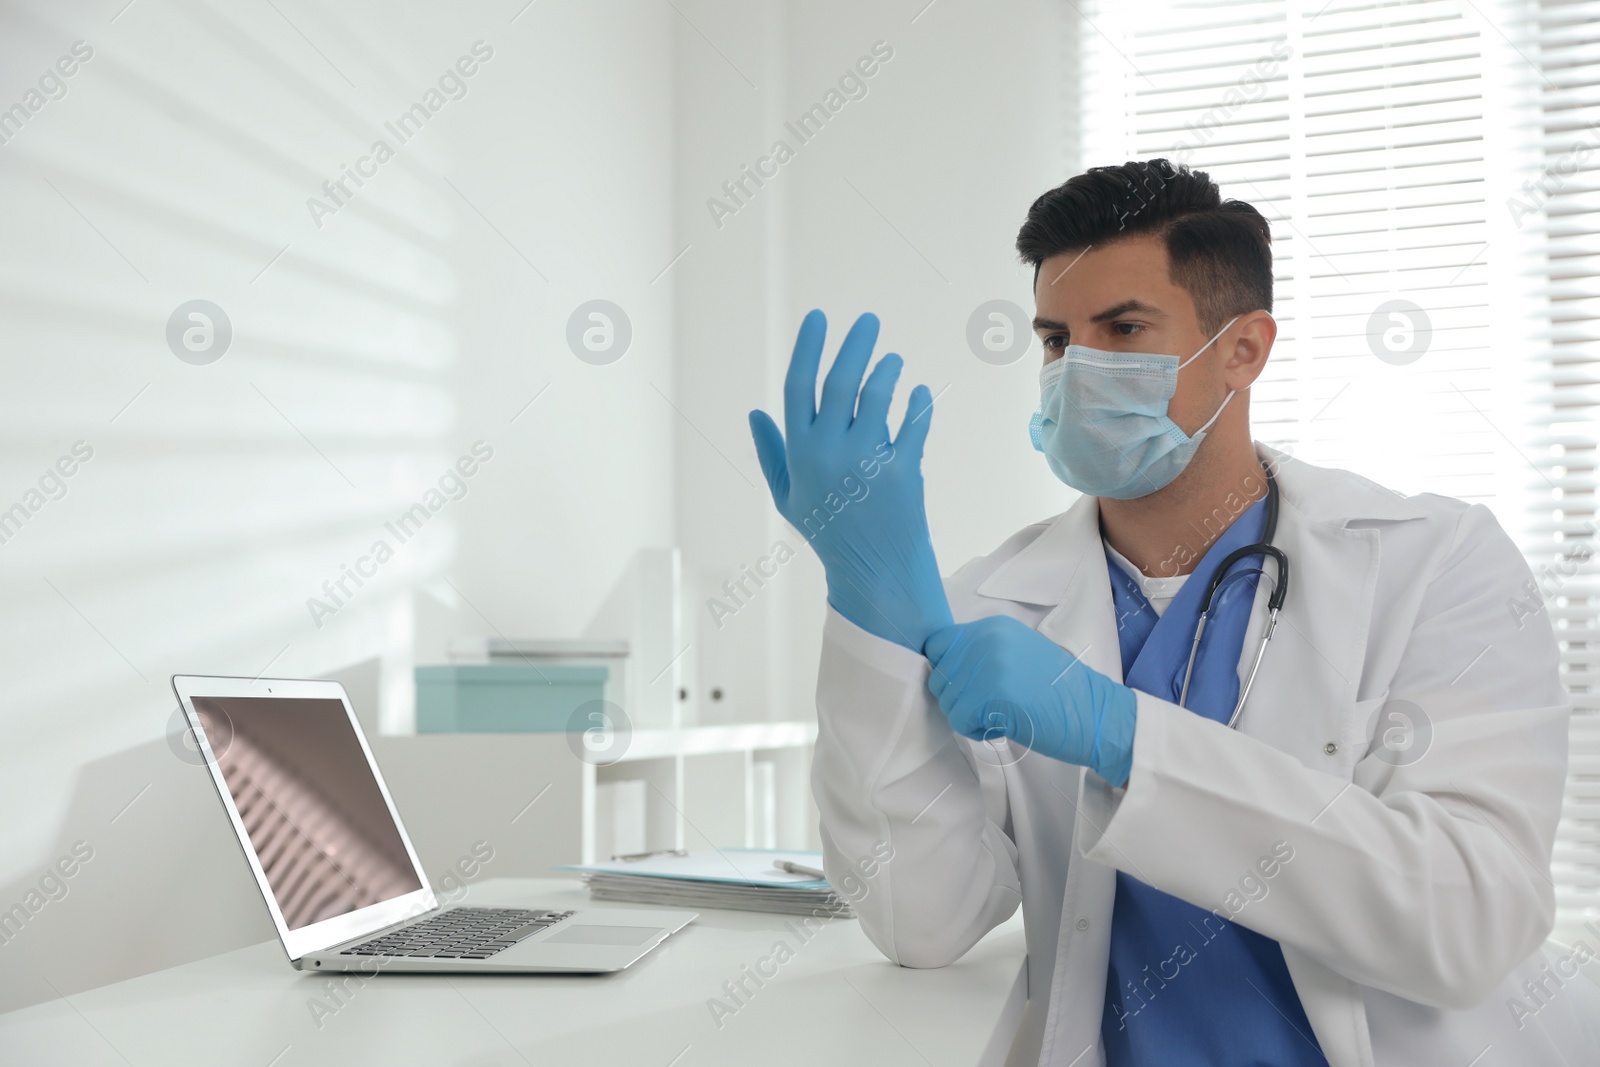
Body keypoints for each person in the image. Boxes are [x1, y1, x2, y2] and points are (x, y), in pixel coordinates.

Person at [747, 159, 1599, 1066]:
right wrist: (873, 613)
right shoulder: (992, 606)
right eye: (1054, 338)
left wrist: (1124, 735)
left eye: (1122, 329)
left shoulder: (1436, 562)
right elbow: (922, 918)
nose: (1076, 370)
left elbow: (1470, 918)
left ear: (1244, 348)